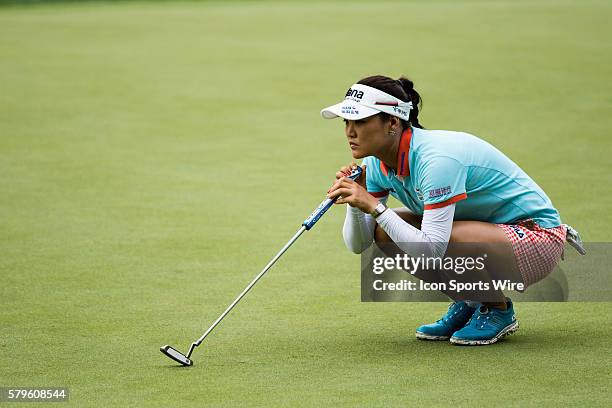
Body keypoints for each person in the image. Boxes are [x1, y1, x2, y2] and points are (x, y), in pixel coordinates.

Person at [322, 75, 578, 346]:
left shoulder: (437, 161)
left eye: (360, 121)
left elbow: (433, 249)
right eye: (346, 122)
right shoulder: (376, 164)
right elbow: (358, 244)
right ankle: (471, 301)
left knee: (447, 239)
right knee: (387, 231)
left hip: (536, 237)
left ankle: (498, 309)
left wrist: (373, 205)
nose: (350, 131)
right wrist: (355, 204)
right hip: (483, 234)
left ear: (393, 123)